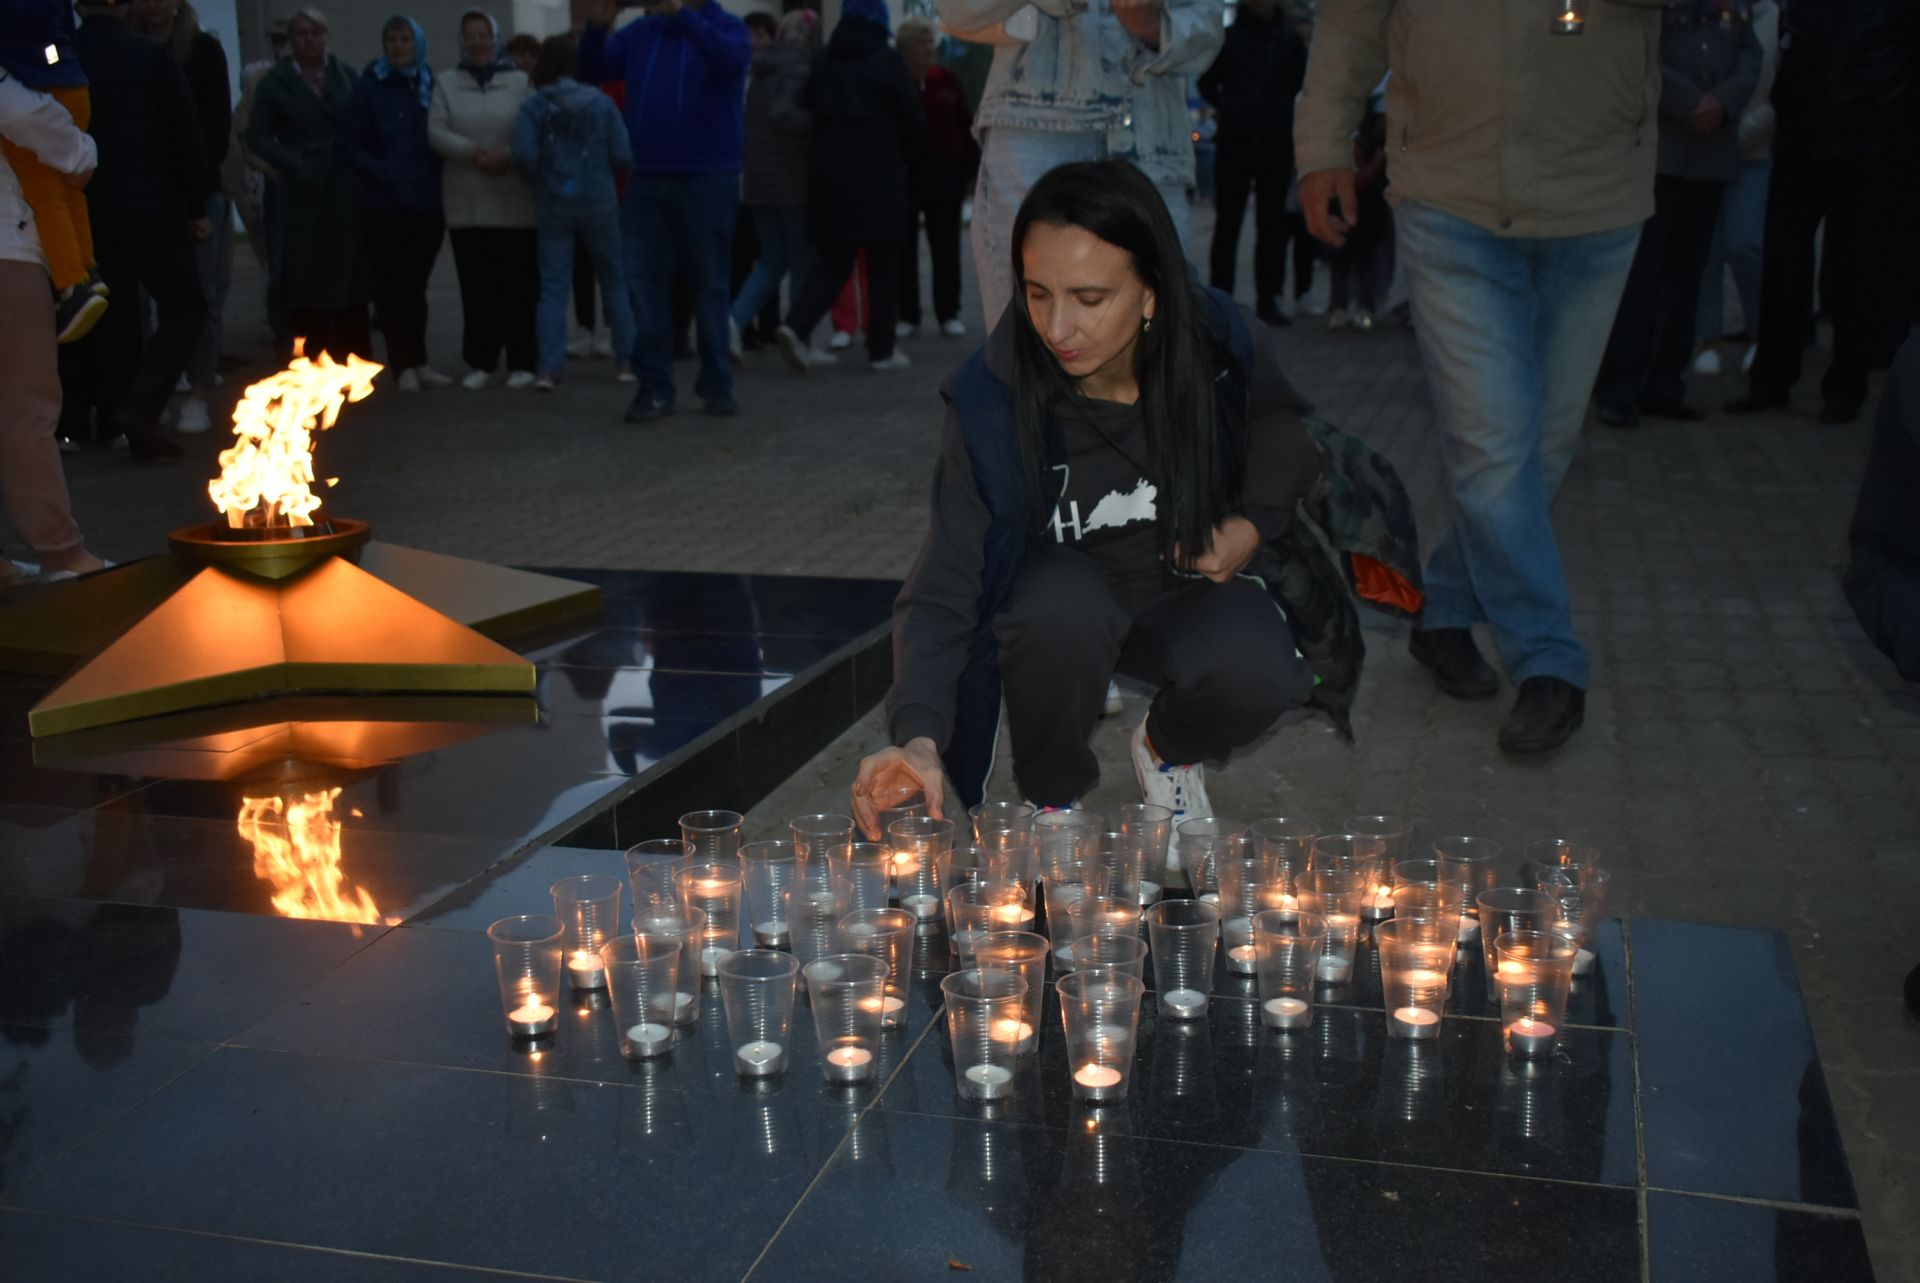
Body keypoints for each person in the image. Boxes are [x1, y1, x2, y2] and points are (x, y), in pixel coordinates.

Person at [851, 159, 1322, 837]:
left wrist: (1252, 523)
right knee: (1059, 608)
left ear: (1153, 292)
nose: (1056, 326)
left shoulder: (1216, 340)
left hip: (1177, 586)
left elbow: (1281, 427)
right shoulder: (994, 398)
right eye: (1037, 293)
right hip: (1056, 613)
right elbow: (942, 588)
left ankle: (1166, 753)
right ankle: (1052, 801)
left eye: (1089, 298)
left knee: (1264, 673)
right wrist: (919, 734)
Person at [1296, 0, 1660, 754]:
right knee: (1494, 450)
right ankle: (1547, 657)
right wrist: (1323, 143)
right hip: (1450, 192)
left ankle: (1447, 606)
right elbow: (1352, 21)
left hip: (1597, 194)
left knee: (1541, 450)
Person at [935, 0, 1225, 327]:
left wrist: (1148, 22)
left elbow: (1209, 27)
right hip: (1034, 138)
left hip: (1151, 147)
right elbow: (954, 10)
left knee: (1161, 338)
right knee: (1028, 341)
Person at [1729, 0, 1917, 425]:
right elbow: (1791, 57)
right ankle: (1772, 380)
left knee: (1854, 275)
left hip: (1870, 150)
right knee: (1784, 269)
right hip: (1803, 146)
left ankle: (1844, 387)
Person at [579, 0, 751, 421]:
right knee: (643, 285)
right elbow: (593, 71)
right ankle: (654, 386)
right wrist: (597, 29)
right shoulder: (642, 32)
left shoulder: (727, 27)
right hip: (647, 177)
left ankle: (717, 384)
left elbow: (727, 61)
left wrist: (683, 17)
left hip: (708, 176)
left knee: (709, 284)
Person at [1594, 0, 1760, 428]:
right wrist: (1688, 103)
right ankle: (1619, 387)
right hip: (1660, 156)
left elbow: (1749, 56)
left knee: (1688, 278)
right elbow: (1638, 52)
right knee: (1642, 278)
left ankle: (1664, 384)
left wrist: (1722, 104)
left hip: (1708, 160)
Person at [65, 0, 205, 462]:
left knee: (115, 315)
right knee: (185, 307)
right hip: (155, 207)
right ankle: (141, 409)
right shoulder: (150, 55)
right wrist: (196, 203)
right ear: (124, 7)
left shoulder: (64, 56)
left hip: (93, 209)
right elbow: (185, 132)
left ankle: (118, 418)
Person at [774, 0, 923, 374]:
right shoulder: (887, 60)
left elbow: (808, 107)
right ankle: (882, 350)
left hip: (828, 177)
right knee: (884, 265)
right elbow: (913, 121)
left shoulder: (824, 59)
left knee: (835, 262)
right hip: (880, 177)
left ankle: (796, 326)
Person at [0, 67, 107, 582]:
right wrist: (80, 151)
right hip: (6, 251)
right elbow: (18, 108)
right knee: (26, 409)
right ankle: (61, 553)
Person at [512, 33, 635, 391]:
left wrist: (538, 179)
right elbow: (624, 155)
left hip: (553, 201)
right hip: (599, 200)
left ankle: (549, 368)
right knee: (614, 279)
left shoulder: (533, 107)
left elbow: (523, 154)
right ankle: (626, 361)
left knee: (553, 286)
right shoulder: (601, 103)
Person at [246, 8, 369, 362]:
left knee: (350, 269)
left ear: (326, 36)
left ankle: (354, 354)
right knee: (306, 271)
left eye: (315, 33)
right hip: (303, 189)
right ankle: (313, 352)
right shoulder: (276, 81)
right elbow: (257, 135)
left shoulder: (346, 74)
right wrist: (294, 162)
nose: (309, 40)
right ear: (290, 40)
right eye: (301, 34)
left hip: (344, 184)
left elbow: (363, 121)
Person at [132, 0, 230, 435]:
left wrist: (195, 194)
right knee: (139, 303)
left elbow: (214, 126)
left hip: (195, 193)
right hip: (141, 196)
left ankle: (198, 393)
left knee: (202, 296)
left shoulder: (203, 51)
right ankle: (148, 395)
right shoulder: (125, 47)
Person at [429, 8, 538, 390]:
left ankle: (524, 360)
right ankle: (482, 360)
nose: (477, 41)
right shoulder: (446, 82)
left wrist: (508, 155)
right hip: (467, 203)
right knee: (477, 288)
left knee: (520, 287)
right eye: (470, 35)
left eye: (484, 34)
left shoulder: (522, 82)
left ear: (496, 38)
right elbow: (436, 130)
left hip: (515, 201)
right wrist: (476, 154)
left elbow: (534, 126)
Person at [344, 14, 451, 392]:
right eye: (391, 39)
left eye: (405, 39)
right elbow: (351, 143)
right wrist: (383, 172)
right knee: (391, 288)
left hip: (425, 203)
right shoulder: (370, 86)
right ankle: (402, 364)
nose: (397, 45)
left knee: (416, 286)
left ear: (417, 44)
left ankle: (420, 361)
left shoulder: (430, 84)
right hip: (383, 204)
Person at [0, 0, 107, 343]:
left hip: (39, 91)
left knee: (46, 195)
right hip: (71, 83)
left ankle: (72, 283)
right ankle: (88, 268)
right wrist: (82, 151)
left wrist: (79, 152)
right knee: (68, 190)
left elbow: (18, 113)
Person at [1196, 0, 1307, 325]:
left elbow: (1304, 89)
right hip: (1235, 144)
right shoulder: (1228, 39)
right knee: (1227, 225)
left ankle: (1267, 300)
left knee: (1272, 226)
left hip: (1276, 145)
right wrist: (1230, 106)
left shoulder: (1289, 41)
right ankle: (1220, 301)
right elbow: (1206, 82)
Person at [1691, 0, 1778, 378]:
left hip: (1752, 150)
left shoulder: (1772, 18)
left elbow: (1780, 95)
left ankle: (1764, 334)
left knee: (1745, 243)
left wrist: (1733, 136)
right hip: (1705, 150)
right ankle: (1707, 339)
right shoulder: (1699, 11)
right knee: (1705, 250)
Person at [731, 7, 816, 355]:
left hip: (758, 182)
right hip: (790, 181)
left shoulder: (759, 72)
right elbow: (783, 114)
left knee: (772, 260)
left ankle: (732, 323)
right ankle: (799, 337)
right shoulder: (798, 69)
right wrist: (820, 123)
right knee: (800, 261)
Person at [895, 17, 977, 339]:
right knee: (904, 247)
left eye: (930, 42)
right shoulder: (897, 83)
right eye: (921, 42)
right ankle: (908, 314)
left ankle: (949, 313)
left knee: (945, 246)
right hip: (905, 174)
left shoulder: (947, 80)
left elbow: (965, 125)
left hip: (946, 174)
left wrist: (971, 171)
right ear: (906, 48)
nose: (929, 48)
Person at [1325, 93, 1387, 331]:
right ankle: (1349, 308)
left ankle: (1355, 309)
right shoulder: (1364, 141)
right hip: (1351, 210)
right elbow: (1360, 177)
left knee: (1358, 262)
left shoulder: (1365, 139)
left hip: (1361, 211)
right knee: (1353, 263)